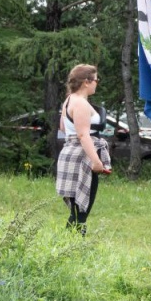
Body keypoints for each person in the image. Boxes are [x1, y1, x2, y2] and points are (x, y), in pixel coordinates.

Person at [56, 64, 110, 235]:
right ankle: (72, 249)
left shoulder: (69, 100)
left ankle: (67, 248)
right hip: (82, 157)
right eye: (96, 80)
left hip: (70, 153)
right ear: (86, 82)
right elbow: (83, 135)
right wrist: (96, 160)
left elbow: (63, 128)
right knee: (81, 211)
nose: (97, 83)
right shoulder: (80, 103)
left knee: (77, 210)